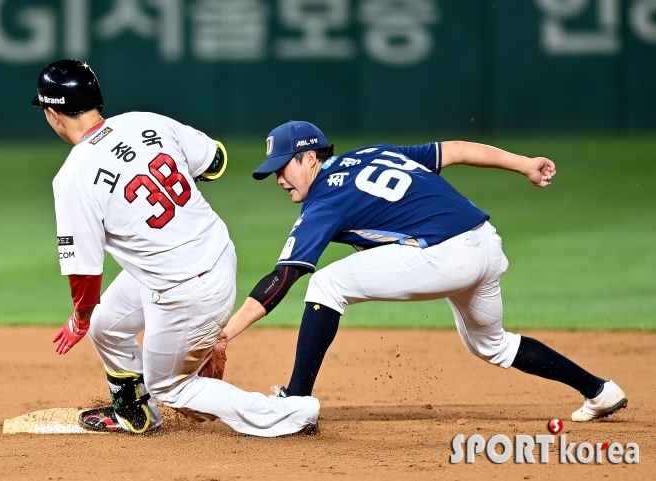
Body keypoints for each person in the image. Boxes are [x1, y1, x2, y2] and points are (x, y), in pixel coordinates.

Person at [222, 120, 627, 422]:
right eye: (273, 171)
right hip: (485, 240)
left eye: (284, 167)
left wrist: (224, 336)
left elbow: (284, 278)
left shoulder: (324, 200)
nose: (278, 179)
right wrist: (524, 164)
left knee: (327, 283)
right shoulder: (371, 152)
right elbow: (453, 149)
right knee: (491, 344)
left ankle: (295, 402)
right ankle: (600, 391)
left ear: (311, 158)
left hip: (448, 253)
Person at [33, 60, 319, 436]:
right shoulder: (144, 121)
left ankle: (288, 414)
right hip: (209, 259)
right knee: (106, 326)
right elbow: (216, 160)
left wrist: (78, 319)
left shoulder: (72, 177)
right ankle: (136, 411)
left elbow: (85, 273)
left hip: (185, 289)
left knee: (172, 385)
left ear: (53, 114)